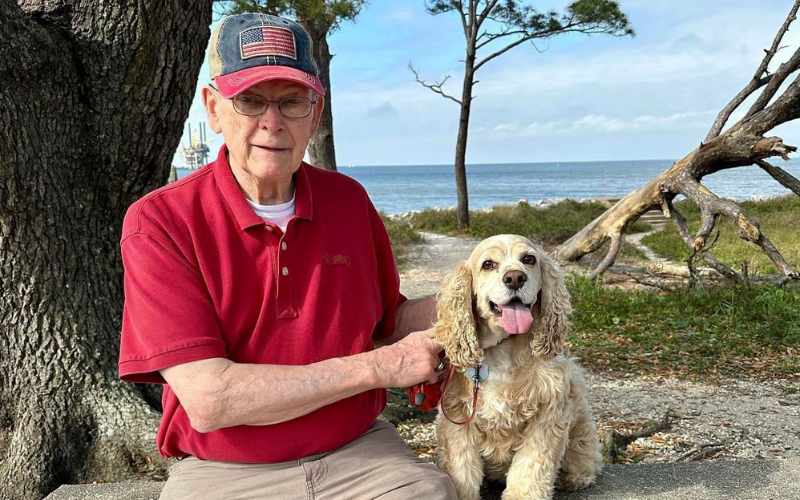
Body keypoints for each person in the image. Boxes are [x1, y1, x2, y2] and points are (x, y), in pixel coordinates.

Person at [118, 12, 457, 500]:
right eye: (250, 100)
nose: (271, 123)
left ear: (315, 112)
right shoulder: (160, 221)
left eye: (292, 102)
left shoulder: (349, 202)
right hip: (225, 469)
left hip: (360, 452)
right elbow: (211, 399)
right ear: (214, 109)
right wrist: (381, 368)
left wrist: (475, 297)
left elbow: (389, 321)